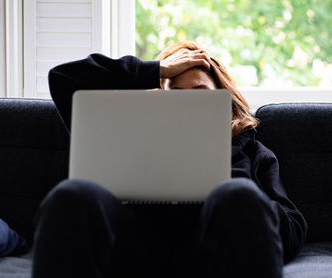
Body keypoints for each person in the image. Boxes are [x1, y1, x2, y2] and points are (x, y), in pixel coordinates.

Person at [32, 41, 307, 278]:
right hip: (132, 249)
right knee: (72, 194)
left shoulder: (251, 150)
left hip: (210, 254)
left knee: (239, 194)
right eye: (175, 95)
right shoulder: (131, 133)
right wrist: (156, 70)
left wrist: (233, 190)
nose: (188, 106)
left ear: (225, 103)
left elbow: (293, 228)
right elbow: (63, 78)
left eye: (200, 95)